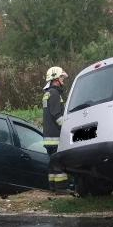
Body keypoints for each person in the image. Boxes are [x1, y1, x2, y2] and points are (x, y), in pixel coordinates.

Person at [43, 66, 70, 194]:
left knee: (53, 164)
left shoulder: (47, 93)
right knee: (59, 163)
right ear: (55, 79)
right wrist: (66, 128)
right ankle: (61, 189)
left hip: (49, 137)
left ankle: (53, 188)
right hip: (55, 136)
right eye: (61, 78)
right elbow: (56, 114)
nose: (63, 80)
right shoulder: (54, 94)